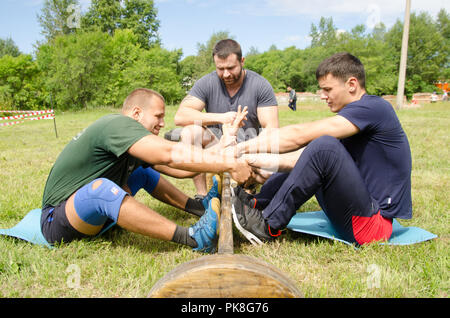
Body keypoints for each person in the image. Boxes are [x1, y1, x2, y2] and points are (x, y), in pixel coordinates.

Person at [231, 52, 412, 246]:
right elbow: (300, 161)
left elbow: (301, 135)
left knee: (323, 146)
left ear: (351, 85)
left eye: (327, 89)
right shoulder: (353, 120)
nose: (322, 96)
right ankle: (256, 203)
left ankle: (267, 225)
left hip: (372, 228)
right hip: (359, 214)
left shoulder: (375, 108)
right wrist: (255, 159)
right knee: (318, 149)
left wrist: (240, 147)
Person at [40, 88, 252, 253]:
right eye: (158, 116)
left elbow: (181, 167)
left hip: (87, 215)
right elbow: (168, 154)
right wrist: (230, 164)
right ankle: (194, 237)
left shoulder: (131, 140)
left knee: (142, 173)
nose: (162, 123)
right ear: (136, 113)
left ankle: (198, 207)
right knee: (101, 189)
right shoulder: (117, 125)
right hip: (56, 220)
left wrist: (224, 150)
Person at [172, 39, 279, 198]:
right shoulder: (207, 83)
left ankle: (248, 187)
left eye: (231, 68)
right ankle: (202, 196)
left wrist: (245, 150)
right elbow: (180, 116)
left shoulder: (260, 85)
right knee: (189, 132)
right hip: (217, 146)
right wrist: (223, 118)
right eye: (220, 69)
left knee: (270, 168)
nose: (226, 74)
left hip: (248, 147)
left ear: (242, 61)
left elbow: (271, 129)